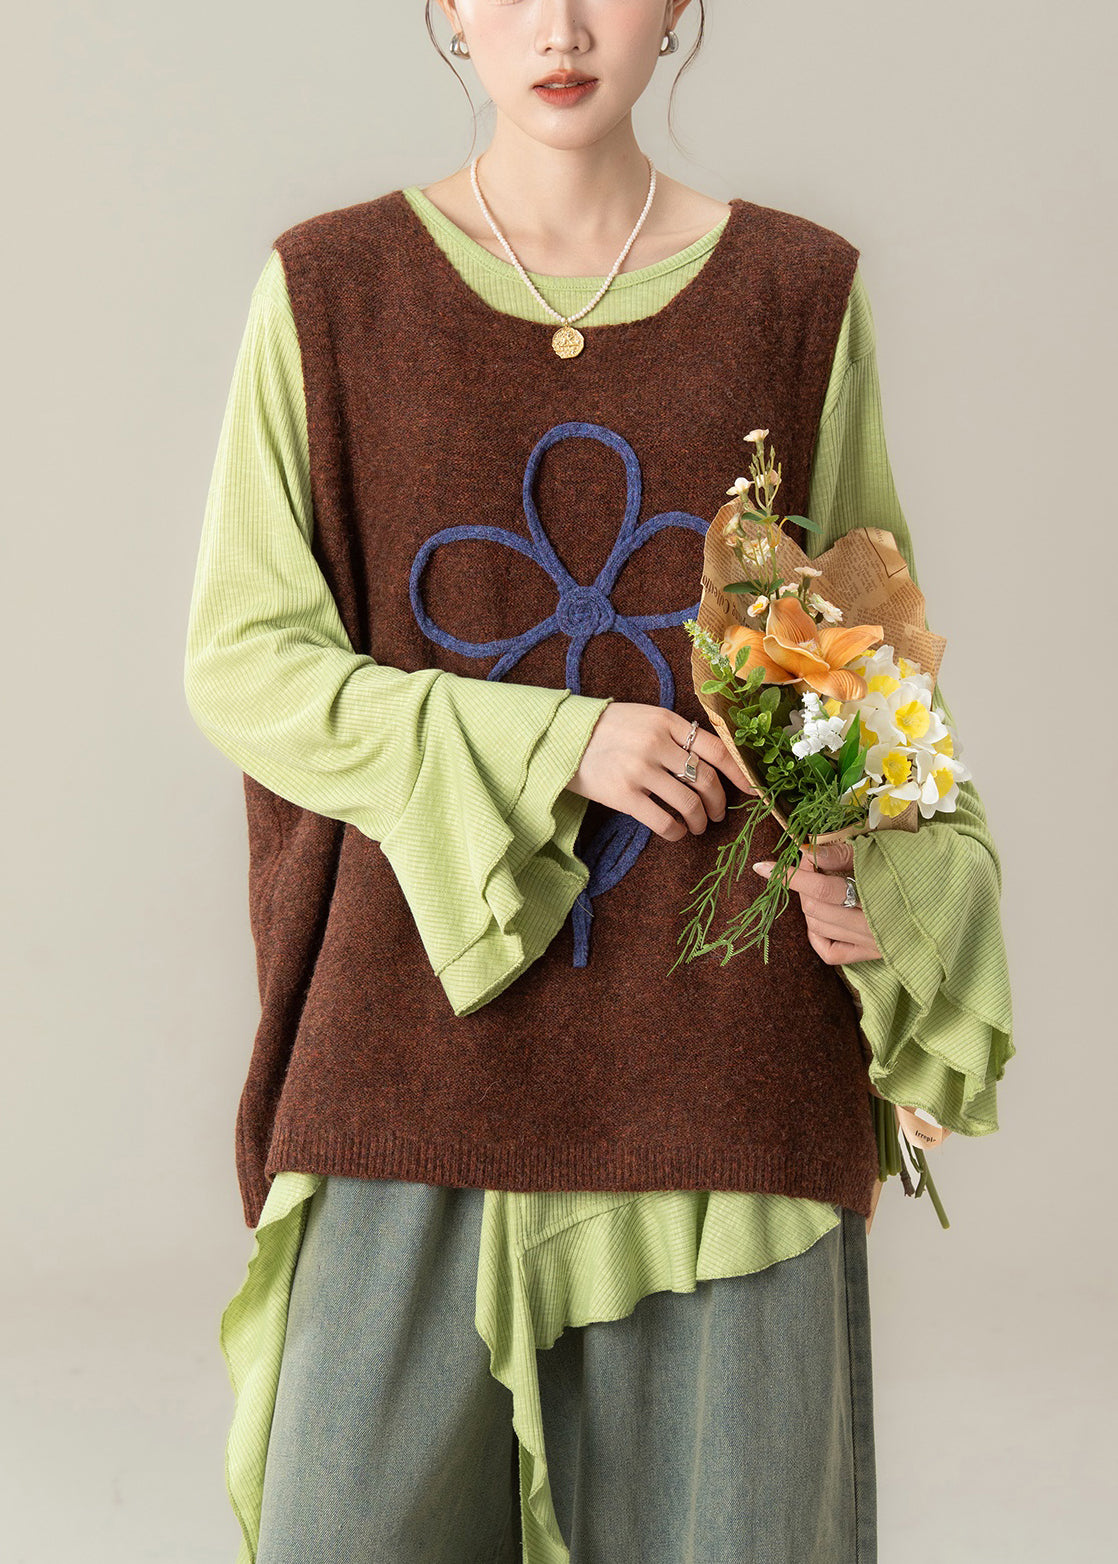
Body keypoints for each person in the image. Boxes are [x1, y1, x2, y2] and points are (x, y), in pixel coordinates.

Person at [184, 3, 1014, 1561]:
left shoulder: (796, 295)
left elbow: (873, 696)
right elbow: (245, 664)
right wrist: (555, 738)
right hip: (413, 1055)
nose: (558, 26)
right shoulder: (328, 292)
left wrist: (888, 882)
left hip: (721, 1085)